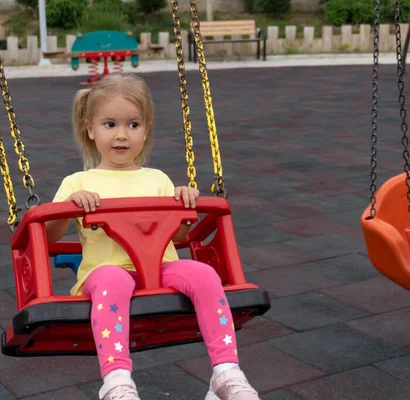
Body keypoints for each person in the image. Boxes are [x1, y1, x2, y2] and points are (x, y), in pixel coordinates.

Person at [45, 74, 259, 400]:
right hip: (106, 273)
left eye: (133, 125)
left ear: (145, 131)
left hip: (161, 269)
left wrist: (184, 204)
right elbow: (47, 237)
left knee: (203, 273)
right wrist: (68, 206)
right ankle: (117, 381)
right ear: (90, 129)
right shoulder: (77, 182)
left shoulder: (157, 179)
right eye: (109, 124)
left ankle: (226, 373)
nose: (121, 135)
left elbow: (180, 235)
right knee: (114, 279)